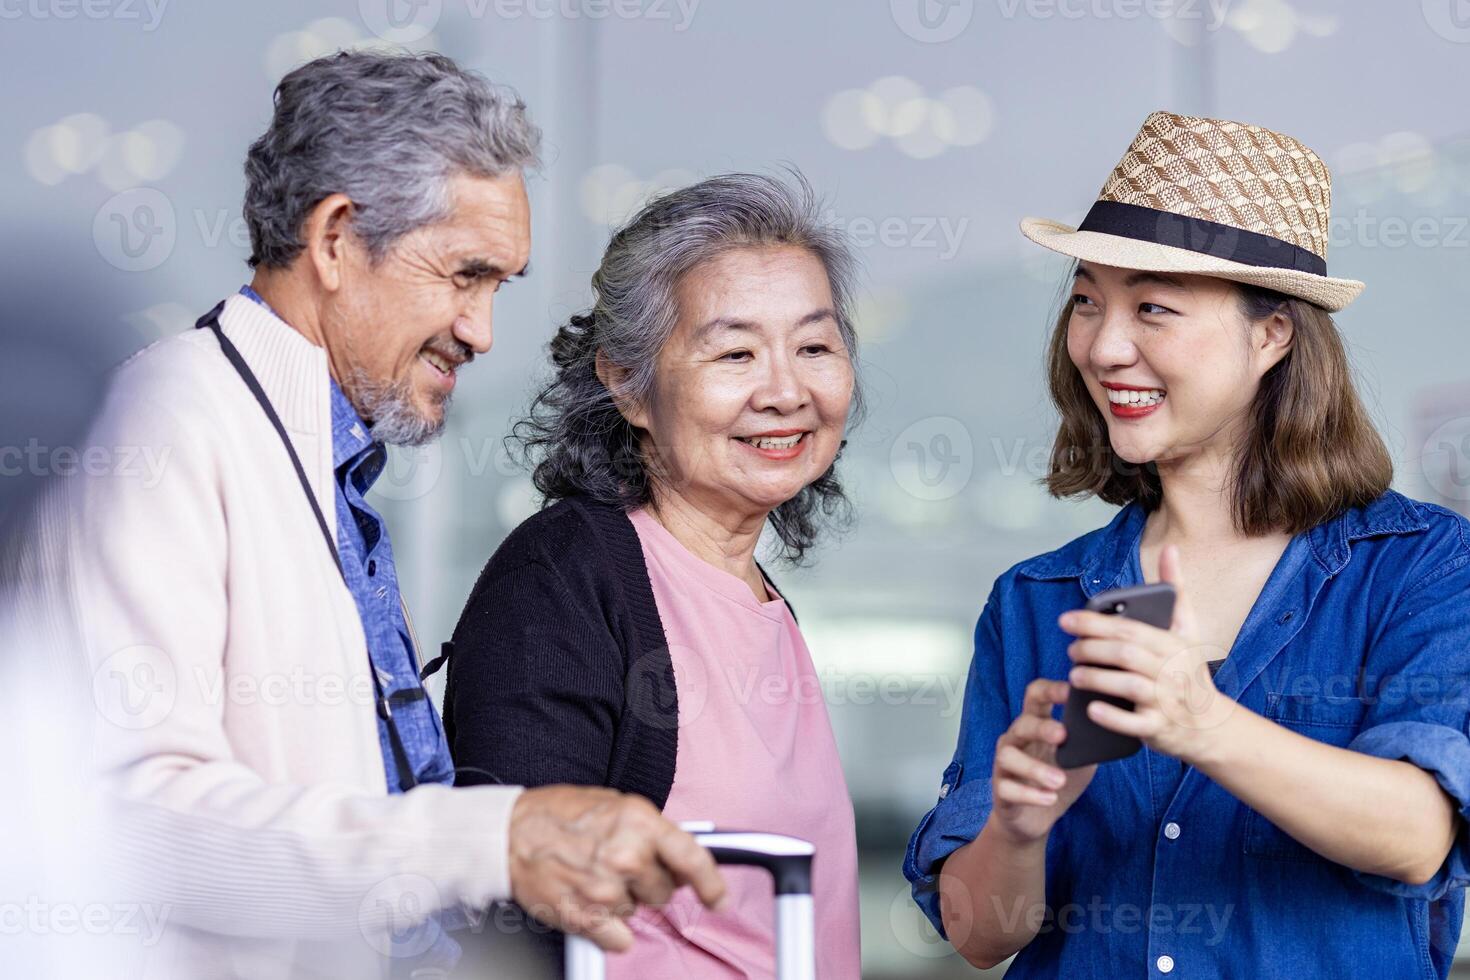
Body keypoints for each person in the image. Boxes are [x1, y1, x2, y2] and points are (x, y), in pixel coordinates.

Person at [12, 50, 724, 980]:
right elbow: (141, 822)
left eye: (499, 285)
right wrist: (490, 837)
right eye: (465, 276)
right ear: (338, 239)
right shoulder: (159, 433)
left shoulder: (309, 448)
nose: (482, 330)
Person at [904, 111, 1470, 978]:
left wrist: (1201, 721)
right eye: (1087, 300)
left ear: (1272, 333)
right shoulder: (1036, 599)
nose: (1104, 344)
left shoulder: (1424, 566)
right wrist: (1020, 825)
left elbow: (1416, 838)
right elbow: (984, 935)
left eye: (1152, 307)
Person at [443, 173, 864, 977]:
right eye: (735, 352)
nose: (786, 391)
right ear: (627, 382)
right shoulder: (564, 582)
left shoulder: (757, 598)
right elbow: (511, 919)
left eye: (815, 346)